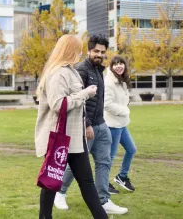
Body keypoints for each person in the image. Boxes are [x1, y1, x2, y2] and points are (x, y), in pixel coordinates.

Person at [35, 34, 109, 219]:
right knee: (52, 182)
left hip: (74, 138)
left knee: (85, 181)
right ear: (69, 50)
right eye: (78, 48)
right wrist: (85, 93)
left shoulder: (70, 71)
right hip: (59, 138)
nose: (81, 52)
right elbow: (58, 105)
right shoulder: (59, 73)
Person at [54, 34, 128, 215]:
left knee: (104, 162)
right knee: (77, 164)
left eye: (103, 52)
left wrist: (100, 124)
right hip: (85, 127)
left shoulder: (99, 71)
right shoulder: (81, 70)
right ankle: (59, 192)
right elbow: (79, 101)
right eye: (96, 51)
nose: (99, 55)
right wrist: (86, 125)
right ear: (88, 51)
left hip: (101, 125)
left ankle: (103, 200)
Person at [105, 56, 136, 192]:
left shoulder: (122, 80)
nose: (119, 66)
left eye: (121, 63)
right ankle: (104, 183)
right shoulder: (109, 82)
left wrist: (125, 107)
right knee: (110, 156)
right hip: (112, 125)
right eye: (116, 64)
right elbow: (107, 104)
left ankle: (122, 176)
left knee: (131, 149)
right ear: (111, 66)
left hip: (122, 123)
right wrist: (124, 110)